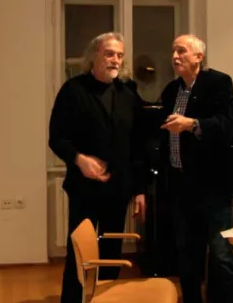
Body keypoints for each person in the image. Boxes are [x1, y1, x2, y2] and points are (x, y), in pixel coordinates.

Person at [49, 32, 148, 303]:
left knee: (111, 252)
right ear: (94, 55)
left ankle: (105, 298)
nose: (115, 60)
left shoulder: (128, 93)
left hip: (119, 189)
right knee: (79, 252)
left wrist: (140, 189)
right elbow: (56, 138)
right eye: (109, 54)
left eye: (119, 55)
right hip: (84, 187)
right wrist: (80, 160)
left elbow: (138, 146)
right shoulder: (73, 90)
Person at [159, 34, 233, 303]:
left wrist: (192, 124)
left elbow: (227, 125)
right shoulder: (171, 90)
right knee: (186, 254)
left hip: (212, 186)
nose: (175, 56)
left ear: (198, 57)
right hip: (180, 185)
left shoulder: (218, 83)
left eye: (181, 51)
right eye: (173, 51)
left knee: (220, 253)